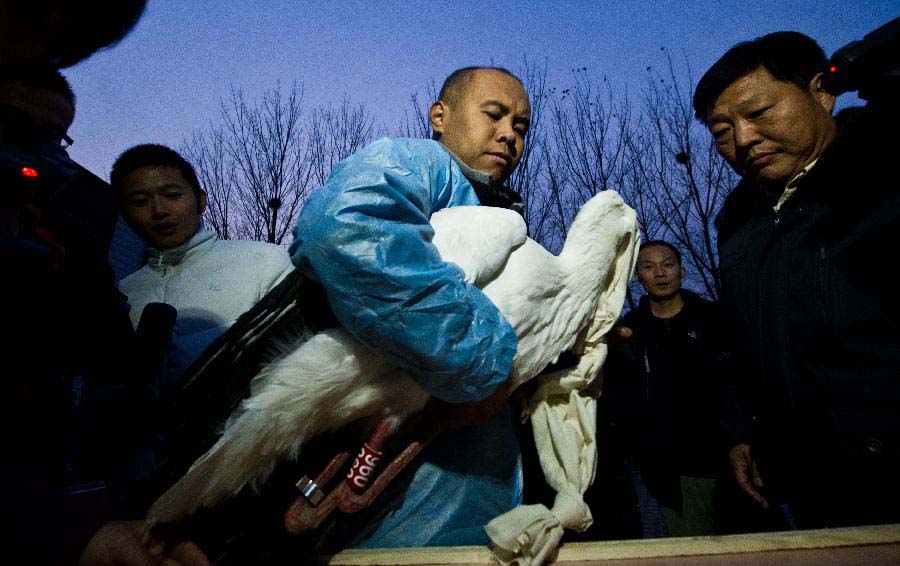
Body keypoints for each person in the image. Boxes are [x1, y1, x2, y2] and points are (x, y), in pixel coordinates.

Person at [286, 66, 531, 548]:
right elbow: (344, 227)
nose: (508, 134)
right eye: (494, 114)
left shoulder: (494, 212)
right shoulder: (423, 165)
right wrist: (483, 366)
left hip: (482, 512)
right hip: (402, 520)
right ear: (440, 115)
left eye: (520, 127)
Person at [694, 31, 900, 528]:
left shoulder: (883, 175)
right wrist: (742, 431)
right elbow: (744, 345)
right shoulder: (738, 224)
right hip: (809, 484)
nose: (742, 140)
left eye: (759, 113)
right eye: (722, 131)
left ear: (822, 93)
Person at [111, 144, 294, 391]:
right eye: (140, 201)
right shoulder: (123, 292)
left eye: (173, 195)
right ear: (123, 212)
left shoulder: (265, 260)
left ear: (201, 200)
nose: (159, 211)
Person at [601, 241, 735, 536]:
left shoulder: (713, 319)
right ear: (637, 277)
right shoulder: (629, 332)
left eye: (668, 264)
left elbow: (737, 384)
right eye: (648, 267)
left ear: (682, 271)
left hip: (729, 459)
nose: (660, 273)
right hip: (673, 474)